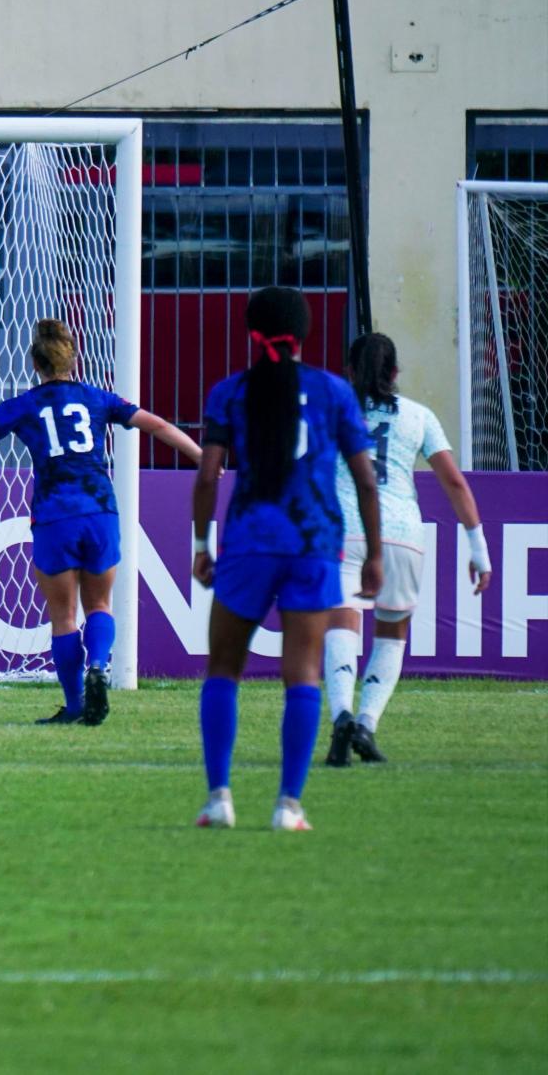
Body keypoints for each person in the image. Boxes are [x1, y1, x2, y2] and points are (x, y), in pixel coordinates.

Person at [0, 319, 202, 726]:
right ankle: (98, 666)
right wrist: (201, 457)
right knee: (100, 605)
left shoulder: (25, 404)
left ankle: (75, 705)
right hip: (99, 511)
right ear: (73, 360)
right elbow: (157, 425)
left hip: (55, 516)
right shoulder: (97, 398)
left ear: (34, 364)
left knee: (63, 616)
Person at [191, 287, 382, 832]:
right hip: (313, 545)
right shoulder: (334, 391)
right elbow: (366, 481)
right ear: (305, 333)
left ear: (252, 332)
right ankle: (288, 806)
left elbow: (208, 475)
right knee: (301, 674)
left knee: (223, 668)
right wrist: (374, 555)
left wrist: (202, 545)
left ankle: (219, 799)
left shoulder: (230, 391)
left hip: (249, 542)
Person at [324, 332, 493, 766]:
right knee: (391, 631)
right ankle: (366, 723)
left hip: (344, 529)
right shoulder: (419, 416)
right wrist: (478, 548)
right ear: (395, 372)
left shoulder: (332, 411)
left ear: (349, 371)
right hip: (401, 533)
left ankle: (342, 715)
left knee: (341, 622)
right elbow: (454, 482)